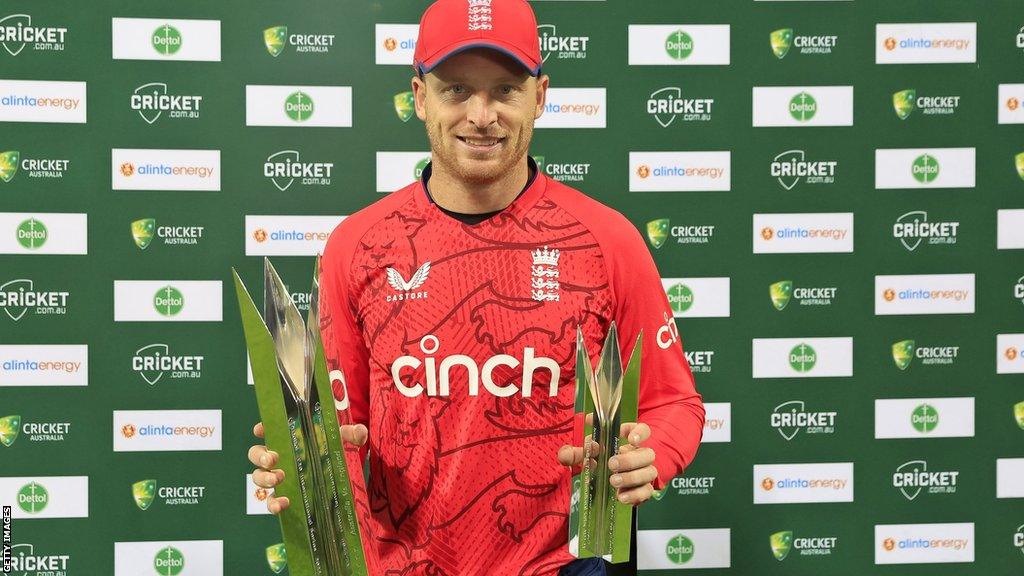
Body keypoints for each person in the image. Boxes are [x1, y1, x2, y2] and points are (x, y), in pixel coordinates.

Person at [247, 1, 705, 574]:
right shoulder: (357, 246)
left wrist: (651, 454)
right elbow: (341, 427)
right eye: (456, 89)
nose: (481, 114)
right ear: (419, 97)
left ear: (539, 96)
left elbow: (674, 402)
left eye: (505, 90)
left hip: (567, 565)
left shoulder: (607, 239)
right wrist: (297, 460)